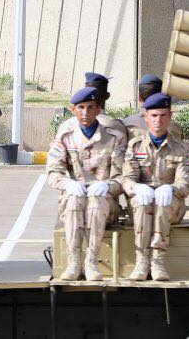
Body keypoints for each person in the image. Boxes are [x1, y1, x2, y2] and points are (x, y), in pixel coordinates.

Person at [47, 86, 126, 281]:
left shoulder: (113, 137)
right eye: (81, 107)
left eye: (91, 107)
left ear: (98, 110)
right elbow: (52, 171)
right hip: (75, 198)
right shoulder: (66, 135)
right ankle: (74, 262)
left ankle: (91, 261)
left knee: (96, 203)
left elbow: (123, 176)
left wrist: (108, 185)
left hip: (105, 203)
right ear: (72, 109)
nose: (85, 113)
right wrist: (66, 183)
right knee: (74, 201)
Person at [120, 93, 189, 281]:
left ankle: (158, 261)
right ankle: (142, 260)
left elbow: (185, 184)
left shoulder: (179, 149)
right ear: (146, 117)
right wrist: (136, 188)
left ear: (170, 116)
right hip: (142, 203)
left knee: (162, 203)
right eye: (153, 115)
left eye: (162, 115)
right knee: (142, 204)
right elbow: (126, 179)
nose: (158, 120)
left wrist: (171, 189)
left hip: (170, 206)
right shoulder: (135, 146)